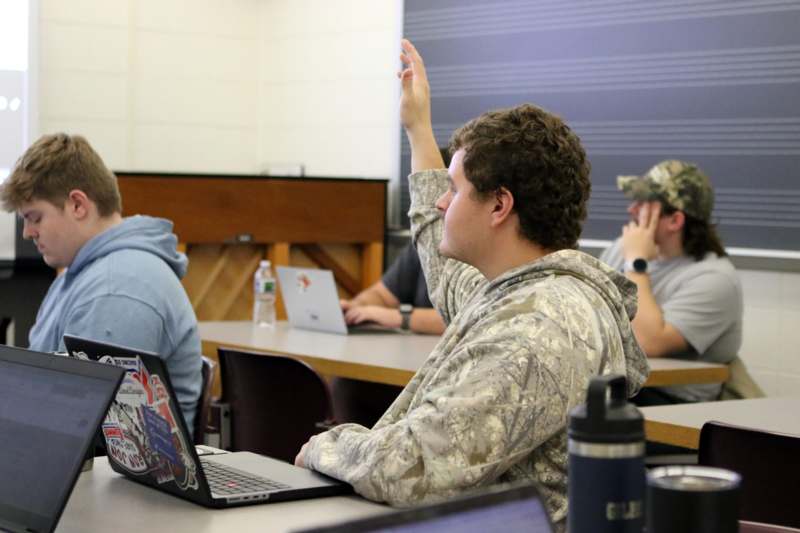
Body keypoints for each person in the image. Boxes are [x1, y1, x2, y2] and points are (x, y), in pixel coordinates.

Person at [294, 39, 648, 530]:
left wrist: (324, 445)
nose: (442, 204)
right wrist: (418, 128)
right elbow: (442, 264)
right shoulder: (516, 293)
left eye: (456, 190)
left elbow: (410, 469)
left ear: (499, 206)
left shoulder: (538, 328)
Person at [0, 133, 203, 431]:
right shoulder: (78, 275)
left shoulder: (116, 288)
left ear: (78, 205)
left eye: (35, 218)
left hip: (102, 471)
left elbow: (84, 427)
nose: (27, 233)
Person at [599, 160, 743, 405]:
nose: (632, 209)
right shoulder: (619, 249)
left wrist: (636, 263)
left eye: (643, 203)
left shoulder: (715, 279)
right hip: (620, 386)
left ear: (675, 221)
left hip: (673, 403)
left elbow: (648, 343)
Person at [334, 242, 446, 427]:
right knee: (350, 383)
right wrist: (357, 306)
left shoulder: (478, 252)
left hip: (444, 376)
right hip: (408, 368)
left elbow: (468, 315)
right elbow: (382, 294)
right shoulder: (425, 243)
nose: (438, 211)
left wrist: (397, 316)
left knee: (350, 388)